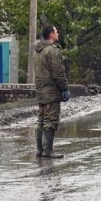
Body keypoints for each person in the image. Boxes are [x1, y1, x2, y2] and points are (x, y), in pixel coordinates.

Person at [33, 24, 70, 159]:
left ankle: (40, 150)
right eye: (56, 32)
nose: (58, 34)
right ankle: (48, 151)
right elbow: (58, 73)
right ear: (51, 35)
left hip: (40, 90)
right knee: (51, 120)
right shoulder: (52, 51)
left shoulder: (37, 50)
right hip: (51, 91)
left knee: (41, 120)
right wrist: (64, 88)